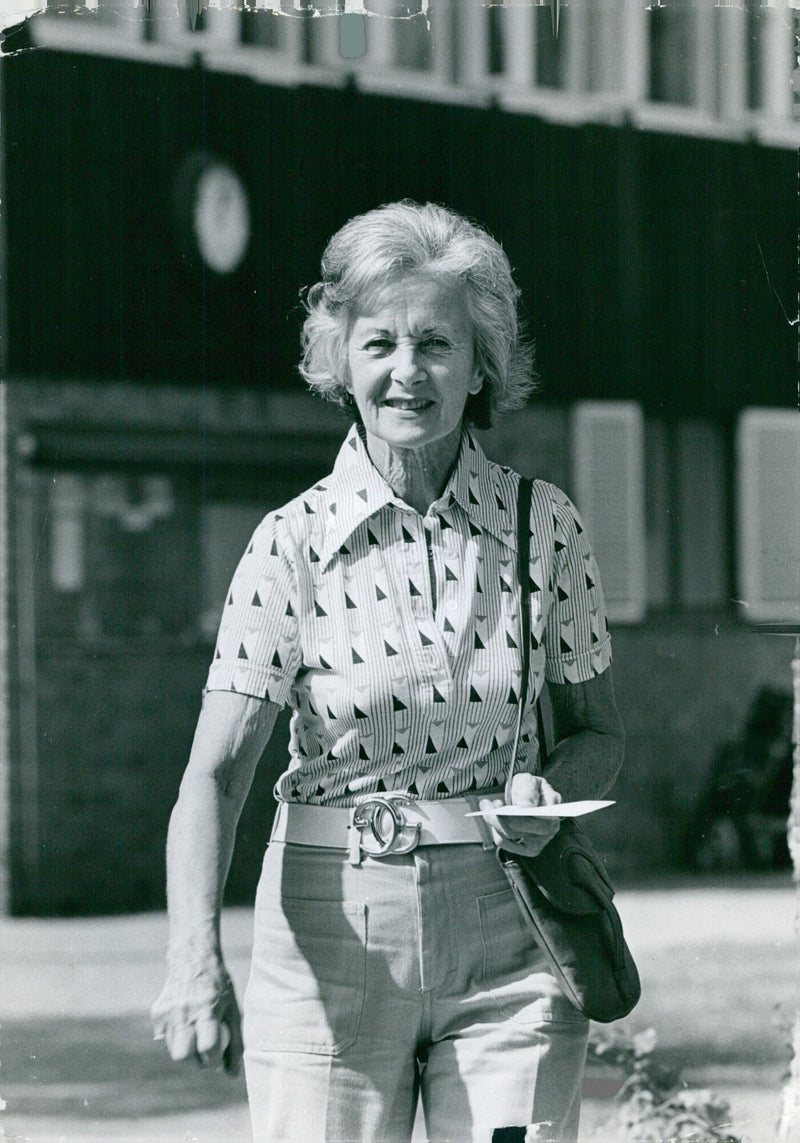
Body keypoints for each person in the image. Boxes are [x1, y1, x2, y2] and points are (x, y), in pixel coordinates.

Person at [151, 200, 625, 1143]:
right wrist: (192, 957)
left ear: (483, 361)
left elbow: (599, 735)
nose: (406, 372)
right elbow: (213, 776)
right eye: (379, 343)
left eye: (437, 344)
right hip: (329, 934)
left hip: (513, 930)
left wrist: (552, 787)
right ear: (341, 359)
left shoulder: (546, 526)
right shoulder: (290, 542)